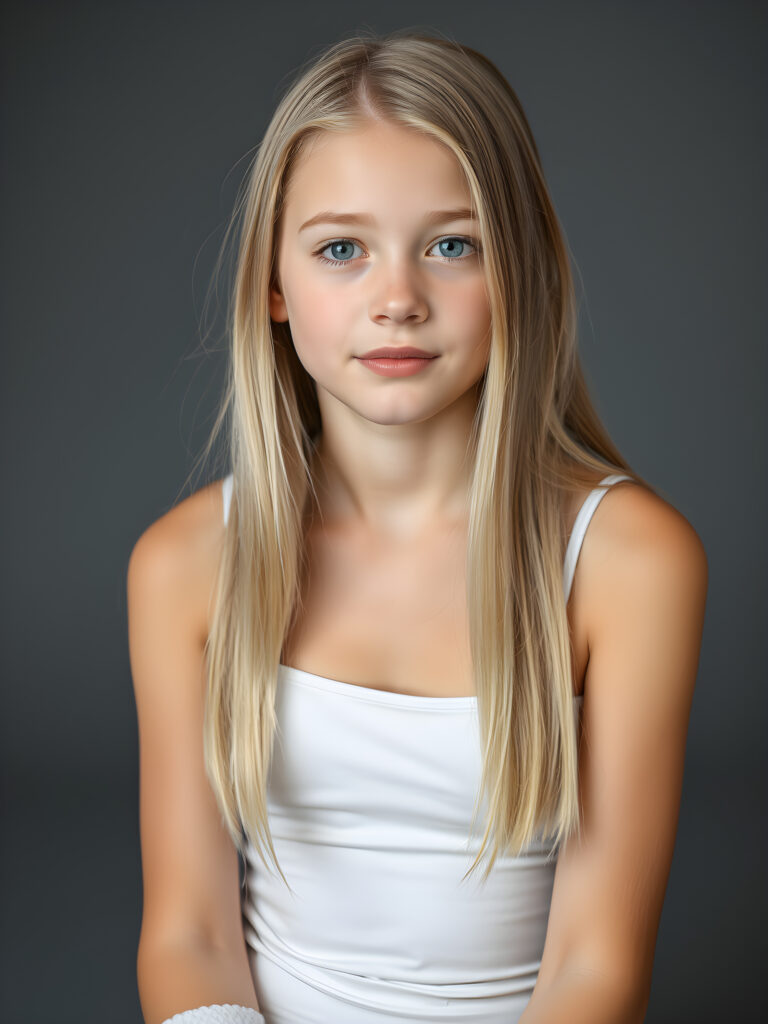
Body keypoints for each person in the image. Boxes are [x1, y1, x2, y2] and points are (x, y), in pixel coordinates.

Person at [126, 28, 708, 1024]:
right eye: (341, 249)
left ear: (517, 268)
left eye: (452, 244)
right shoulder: (185, 563)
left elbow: (595, 966)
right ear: (274, 283)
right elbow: (190, 934)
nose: (397, 299)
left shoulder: (629, 562)